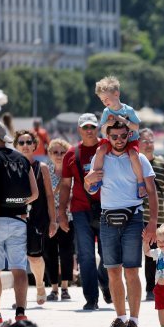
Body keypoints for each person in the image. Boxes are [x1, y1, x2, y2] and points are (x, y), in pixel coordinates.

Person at [84, 121, 157, 327]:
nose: (119, 140)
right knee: (113, 270)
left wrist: (152, 222)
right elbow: (91, 189)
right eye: (114, 136)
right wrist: (88, 181)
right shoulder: (100, 158)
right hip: (107, 218)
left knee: (132, 270)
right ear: (107, 136)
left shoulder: (140, 158)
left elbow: (151, 191)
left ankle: (134, 320)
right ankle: (120, 317)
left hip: (133, 217)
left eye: (122, 136)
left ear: (129, 136)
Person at [0, 122, 39, 326]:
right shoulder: (22, 159)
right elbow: (35, 193)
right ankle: (21, 314)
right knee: (19, 268)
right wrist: (19, 204)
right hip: (18, 221)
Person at [59, 113, 110, 311]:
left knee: (108, 255)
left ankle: (105, 282)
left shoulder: (107, 148)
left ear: (97, 128)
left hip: (107, 208)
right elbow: (65, 185)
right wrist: (61, 213)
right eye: (85, 127)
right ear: (79, 130)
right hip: (80, 209)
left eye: (92, 127)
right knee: (85, 255)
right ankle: (91, 298)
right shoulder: (72, 153)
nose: (89, 130)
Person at [14, 130, 58, 307]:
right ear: (16, 146)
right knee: (16, 259)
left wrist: (53, 220)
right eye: (21, 142)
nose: (25, 146)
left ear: (34, 145)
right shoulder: (12, 166)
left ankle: (40, 285)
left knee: (34, 257)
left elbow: (49, 195)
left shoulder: (43, 168)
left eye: (28, 142)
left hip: (38, 217)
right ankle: (20, 297)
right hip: (15, 217)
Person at [140, 128, 164, 302]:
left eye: (151, 141)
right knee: (132, 255)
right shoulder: (134, 164)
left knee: (153, 256)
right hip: (135, 217)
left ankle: (150, 288)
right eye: (145, 141)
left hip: (156, 219)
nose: (149, 144)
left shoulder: (162, 165)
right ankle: (132, 288)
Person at [91, 76, 146, 198]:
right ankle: (97, 178)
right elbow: (103, 130)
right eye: (102, 100)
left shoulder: (128, 110)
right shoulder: (106, 112)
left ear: (116, 94)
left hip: (130, 139)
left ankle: (141, 183)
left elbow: (136, 127)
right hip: (112, 140)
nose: (105, 102)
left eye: (106, 99)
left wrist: (123, 121)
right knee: (100, 151)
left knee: (133, 155)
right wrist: (107, 125)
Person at [44, 139, 74, 302]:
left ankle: (65, 287)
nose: (59, 155)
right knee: (50, 253)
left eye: (62, 152)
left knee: (67, 252)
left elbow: (74, 192)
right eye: (55, 152)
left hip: (69, 216)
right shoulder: (45, 170)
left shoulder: (71, 169)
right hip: (49, 218)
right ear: (49, 154)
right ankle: (54, 287)